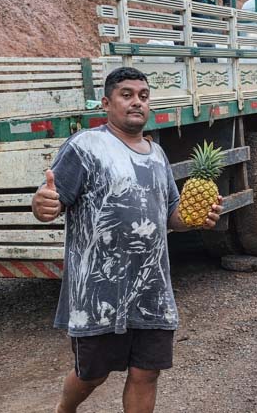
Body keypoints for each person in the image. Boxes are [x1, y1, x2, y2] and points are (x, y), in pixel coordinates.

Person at [32, 66, 223, 413]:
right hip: (98, 291)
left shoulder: (157, 154)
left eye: (143, 96)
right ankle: (64, 409)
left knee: (146, 373)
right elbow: (51, 201)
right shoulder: (86, 146)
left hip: (152, 289)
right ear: (107, 102)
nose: (137, 102)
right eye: (127, 95)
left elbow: (170, 216)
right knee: (92, 374)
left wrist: (196, 219)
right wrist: (42, 204)